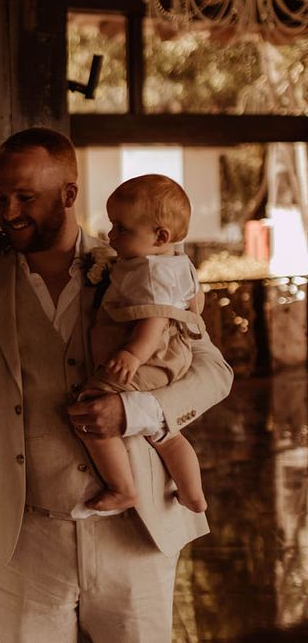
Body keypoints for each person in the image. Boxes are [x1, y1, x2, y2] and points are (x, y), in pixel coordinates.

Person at [0, 128, 233, 642]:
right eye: (1, 197)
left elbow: (214, 373)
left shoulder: (144, 267)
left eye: (26, 197)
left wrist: (137, 412)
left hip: (136, 537)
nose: (8, 212)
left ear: (69, 195)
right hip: (26, 537)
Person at [78, 174, 208, 515]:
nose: (110, 236)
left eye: (121, 228)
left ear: (160, 236)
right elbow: (195, 303)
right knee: (166, 433)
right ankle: (193, 494)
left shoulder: (150, 271)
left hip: (149, 353)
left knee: (90, 407)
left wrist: (132, 354)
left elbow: (155, 318)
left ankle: (122, 488)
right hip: (174, 351)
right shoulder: (178, 261)